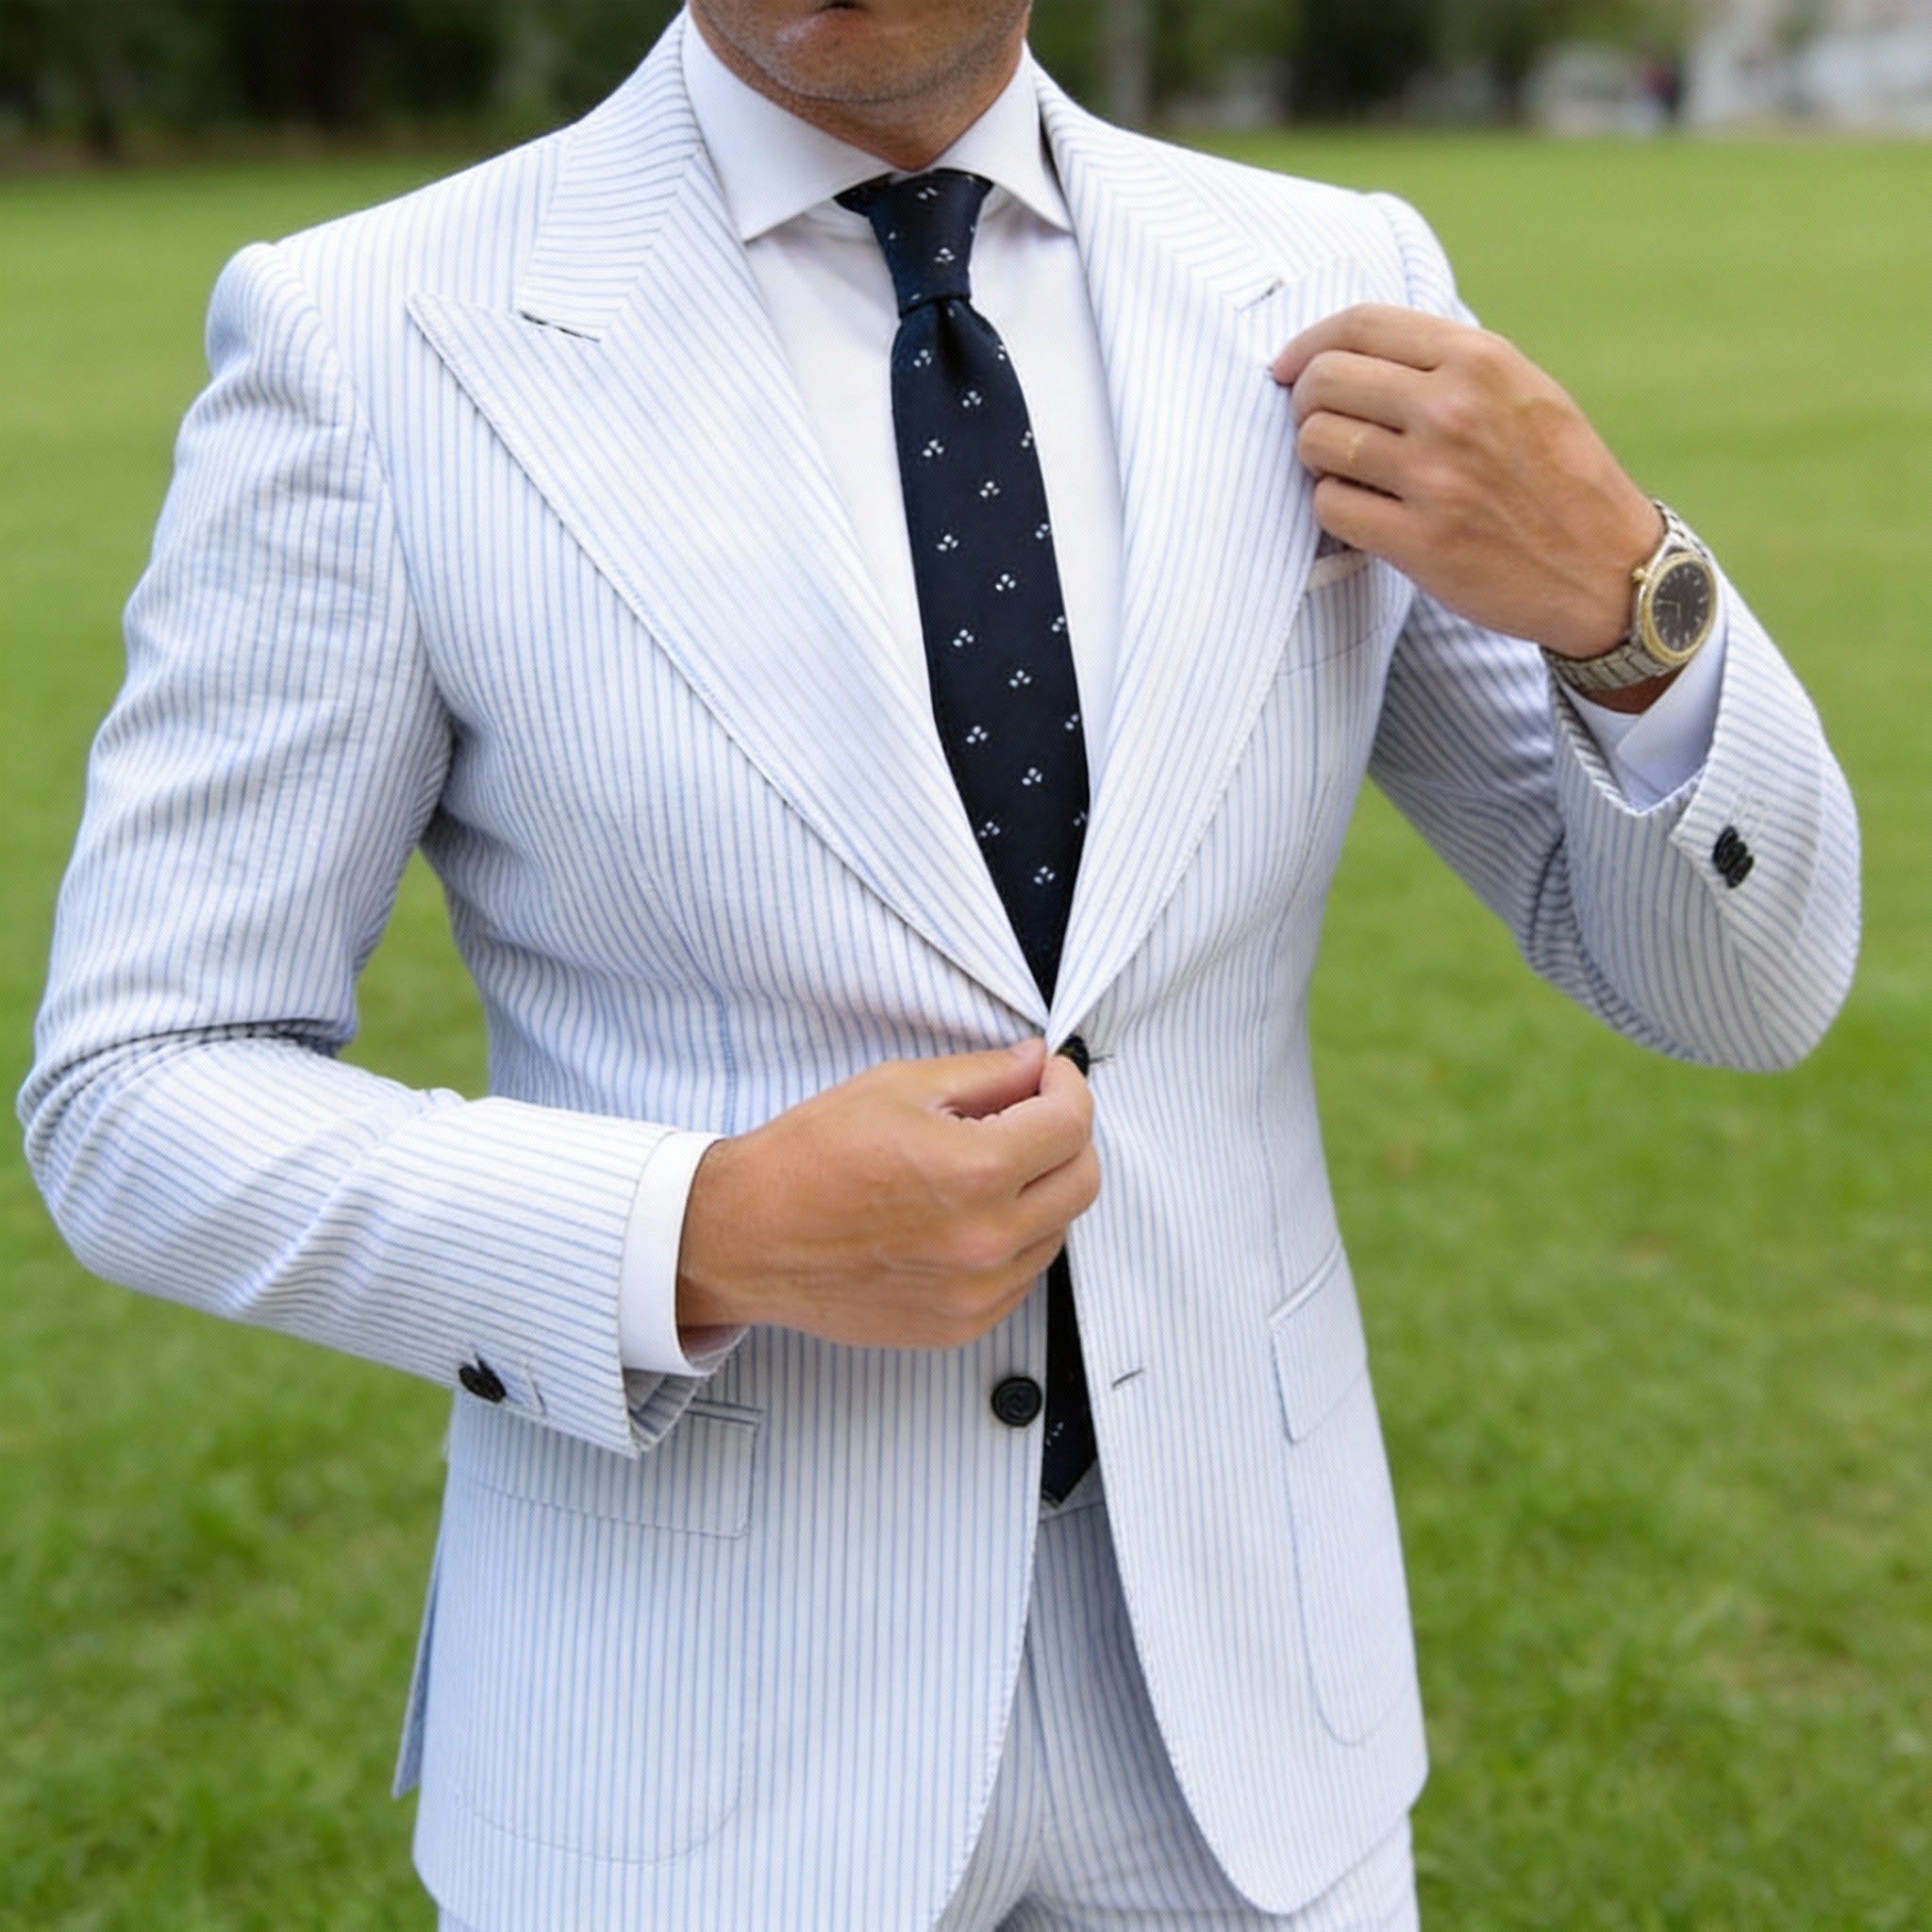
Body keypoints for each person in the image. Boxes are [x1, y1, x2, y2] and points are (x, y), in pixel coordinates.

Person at [20, 3, 1859, 1928]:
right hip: (688, 1758)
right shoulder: (370, 336)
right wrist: (698, 1228)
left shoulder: (1328, 279)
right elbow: (138, 1081)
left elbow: (1738, 990)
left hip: (1248, 1721)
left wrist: (1624, 602)